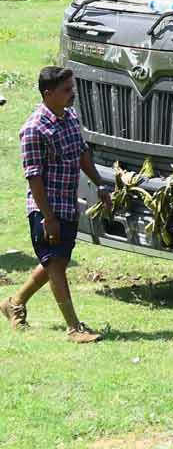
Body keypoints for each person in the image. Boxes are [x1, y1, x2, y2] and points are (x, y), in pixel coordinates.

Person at [4, 67, 104, 342]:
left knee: (54, 262)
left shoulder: (69, 116)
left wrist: (100, 183)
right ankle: (74, 328)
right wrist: (47, 217)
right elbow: (34, 177)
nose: (73, 94)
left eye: (72, 88)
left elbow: (82, 154)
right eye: (66, 90)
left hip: (68, 204)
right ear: (48, 94)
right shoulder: (34, 129)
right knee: (56, 264)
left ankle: (13, 303)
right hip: (46, 208)